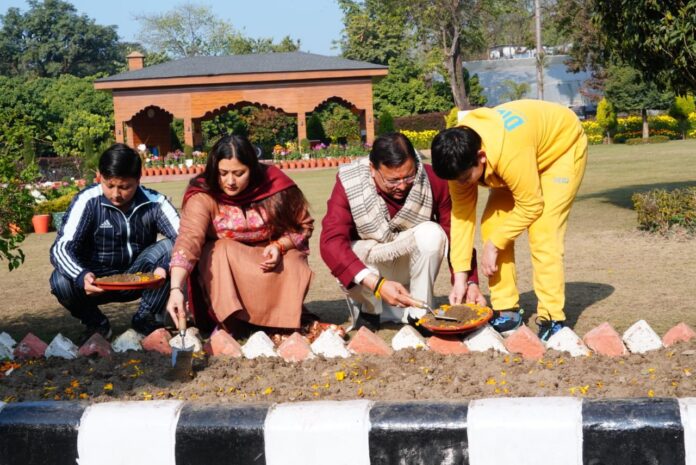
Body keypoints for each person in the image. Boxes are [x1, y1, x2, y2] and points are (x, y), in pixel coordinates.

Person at [430, 99, 588, 341]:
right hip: (520, 157)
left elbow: (531, 204)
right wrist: (460, 278)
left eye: (465, 178)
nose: (461, 184)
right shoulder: (458, 158)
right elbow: (461, 218)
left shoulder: (509, 151)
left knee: (543, 232)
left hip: (559, 150)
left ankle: (552, 319)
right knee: (492, 224)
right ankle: (507, 311)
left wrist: (494, 245)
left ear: (481, 156)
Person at [320, 132, 483, 331]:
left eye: (409, 176)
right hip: (372, 272)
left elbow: (455, 233)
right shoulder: (350, 182)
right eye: (392, 180)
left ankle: (419, 313)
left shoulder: (432, 179)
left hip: (408, 264)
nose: (402, 186)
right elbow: (330, 241)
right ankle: (370, 310)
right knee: (346, 251)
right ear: (372, 169)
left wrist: (469, 281)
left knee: (433, 234)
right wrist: (378, 285)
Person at [166, 135, 313, 335]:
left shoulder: (275, 186)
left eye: (239, 173)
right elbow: (188, 240)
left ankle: (280, 321)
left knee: (294, 259)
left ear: (252, 169)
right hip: (227, 264)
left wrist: (280, 246)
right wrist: (176, 288)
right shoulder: (203, 194)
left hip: (270, 257)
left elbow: (303, 226)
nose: (230, 182)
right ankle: (235, 323)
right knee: (220, 250)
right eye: (223, 173)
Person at [49, 143, 180, 341]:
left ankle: (146, 318)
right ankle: (96, 324)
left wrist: (164, 266)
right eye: (109, 185)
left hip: (138, 276)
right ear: (100, 176)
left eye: (125, 187)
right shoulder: (87, 201)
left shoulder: (155, 203)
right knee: (60, 280)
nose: (116, 194)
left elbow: (184, 239)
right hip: (95, 280)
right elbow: (61, 248)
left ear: (138, 179)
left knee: (171, 248)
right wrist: (81, 275)